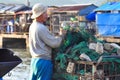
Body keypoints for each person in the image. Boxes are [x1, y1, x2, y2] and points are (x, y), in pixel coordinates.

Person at [29, 3, 66, 80]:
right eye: (45, 13)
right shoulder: (41, 28)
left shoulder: (32, 26)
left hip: (34, 61)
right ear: (40, 15)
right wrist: (61, 35)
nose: (47, 15)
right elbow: (55, 44)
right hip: (43, 61)